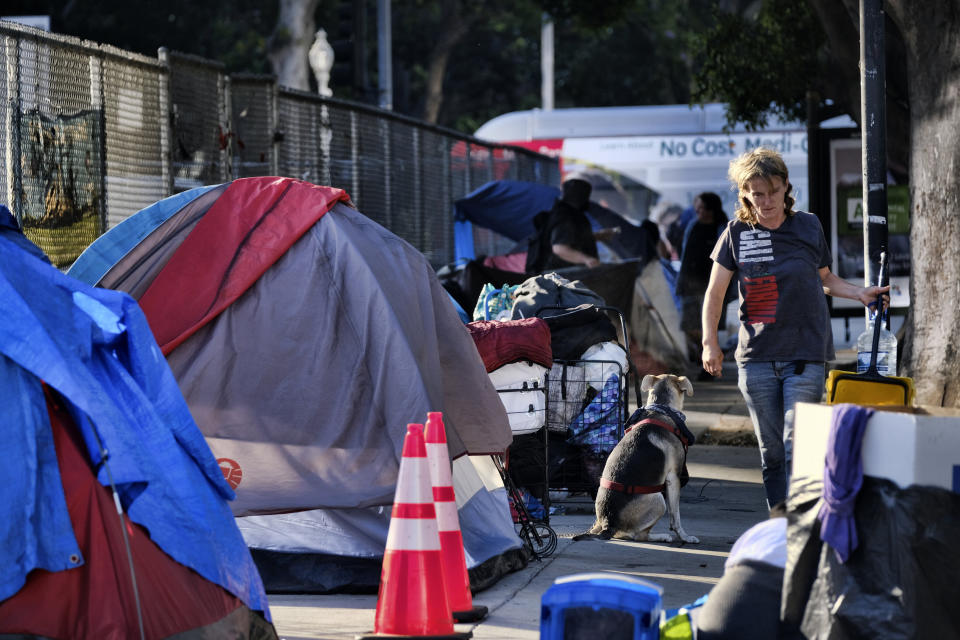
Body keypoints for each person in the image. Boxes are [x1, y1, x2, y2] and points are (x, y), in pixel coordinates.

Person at [701, 147, 888, 509]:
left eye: (772, 191)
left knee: (796, 443)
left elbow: (826, 278)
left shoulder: (808, 225)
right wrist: (710, 343)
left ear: (786, 186)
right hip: (756, 359)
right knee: (771, 453)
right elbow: (715, 293)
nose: (766, 201)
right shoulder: (736, 232)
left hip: (806, 353)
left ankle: (802, 521)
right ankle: (781, 524)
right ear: (745, 193)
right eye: (757, 193)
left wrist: (859, 293)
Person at [676, 192, 729, 380]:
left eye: (703, 209)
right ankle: (705, 357)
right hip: (689, 283)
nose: (699, 213)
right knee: (690, 327)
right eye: (697, 209)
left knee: (708, 327)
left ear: (711, 209)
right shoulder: (693, 225)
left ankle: (711, 367)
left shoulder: (722, 228)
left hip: (710, 286)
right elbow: (684, 254)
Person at [524, 178, 600, 274]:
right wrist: (587, 259)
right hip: (559, 277)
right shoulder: (566, 216)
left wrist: (594, 237)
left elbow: (571, 238)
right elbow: (560, 249)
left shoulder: (565, 213)